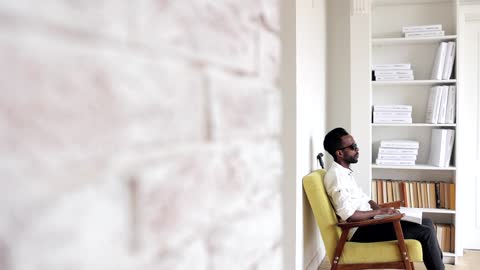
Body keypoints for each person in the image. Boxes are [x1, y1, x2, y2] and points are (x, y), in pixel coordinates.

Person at [323, 127, 444, 270]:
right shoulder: (336, 177)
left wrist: (382, 210)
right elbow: (349, 216)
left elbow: (365, 199)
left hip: (372, 222)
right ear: (340, 153)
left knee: (427, 222)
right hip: (360, 230)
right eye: (353, 147)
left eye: (356, 145)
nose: (357, 150)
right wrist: (379, 213)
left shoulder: (344, 173)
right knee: (426, 233)